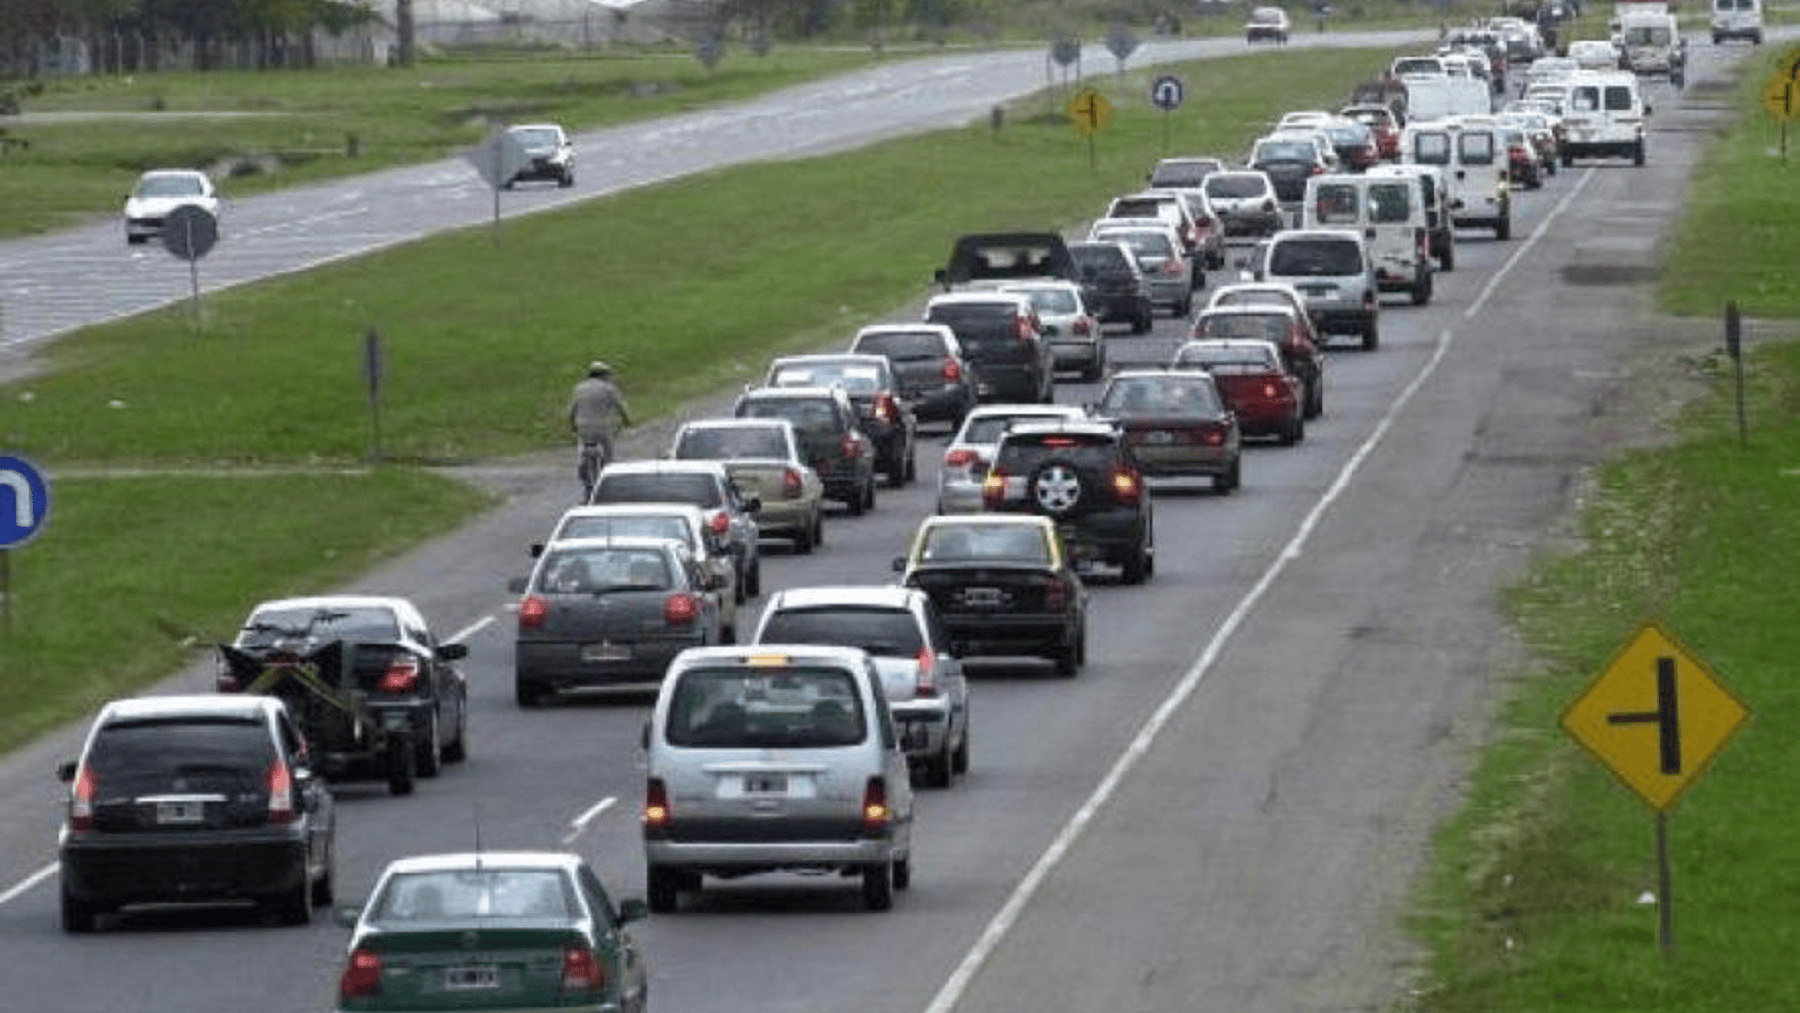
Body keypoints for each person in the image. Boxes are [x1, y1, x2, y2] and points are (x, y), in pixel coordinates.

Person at [568, 360, 630, 497]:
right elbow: (621, 407)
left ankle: (584, 474)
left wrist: (572, 425)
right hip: (604, 428)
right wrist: (627, 421)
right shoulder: (609, 389)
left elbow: (572, 409)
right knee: (608, 455)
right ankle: (607, 477)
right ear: (604, 375)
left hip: (583, 428)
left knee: (583, 451)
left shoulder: (579, 388)